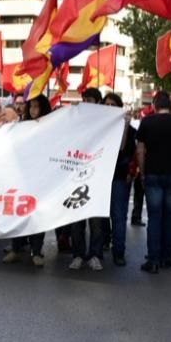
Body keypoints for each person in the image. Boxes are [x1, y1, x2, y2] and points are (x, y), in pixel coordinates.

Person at [135, 91, 171, 273]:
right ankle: (168, 255)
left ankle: (153, 259)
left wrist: (143, 174)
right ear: (170, 105)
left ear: (154, 105)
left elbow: (140, 151)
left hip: (153, 173)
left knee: (154, 217)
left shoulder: (147, 122)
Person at [3, 94, 51, 267]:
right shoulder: (21, 126)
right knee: (18, 214)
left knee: (38, 216)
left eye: (37, 107)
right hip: (21, 178)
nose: (33, 110)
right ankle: (16, 249)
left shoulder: (52, 127)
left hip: (41, 178)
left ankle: (36, 252)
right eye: (31, 106)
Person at [68, 88, 107, 271]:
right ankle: (78, 255)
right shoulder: (76, 119)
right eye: (84, 99)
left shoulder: (106, 121)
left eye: (89, 99)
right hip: (77, 177)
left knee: (96, 222)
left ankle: (95, 255)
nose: (86, 102)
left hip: (98, 177)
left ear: (98, 102)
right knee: (76, 220)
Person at [106, 92, 134, 267]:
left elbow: (122, 150)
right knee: (99, 217)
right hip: (98, 178)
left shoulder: (129, 130)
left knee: (118, 216)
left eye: (112, 105)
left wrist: (124, 127)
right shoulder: (97, 127)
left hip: (118, 177)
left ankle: (118, 252)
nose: (109, 108)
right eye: (106, 105)